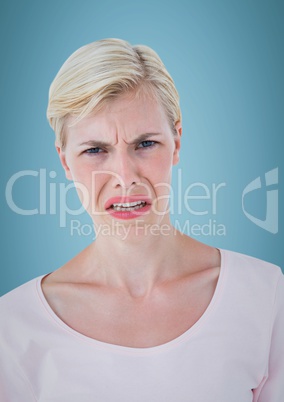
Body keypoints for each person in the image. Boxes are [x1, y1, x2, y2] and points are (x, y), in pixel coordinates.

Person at [0, 38, 283, 402]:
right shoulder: (13, 326)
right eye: (95, 150)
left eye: (145, 144)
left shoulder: (265, 296)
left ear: (177, 142)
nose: (125, 175)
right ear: (65, 161)